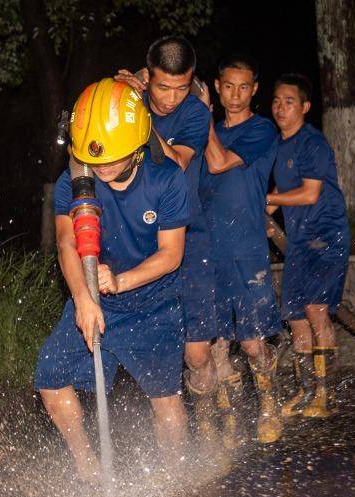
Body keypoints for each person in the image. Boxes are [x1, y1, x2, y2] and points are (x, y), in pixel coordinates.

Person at [34, 78, 191, 482]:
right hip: (92, 295)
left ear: (138, 145)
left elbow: (172, 256)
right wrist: (84, 299)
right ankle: (89, 468)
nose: (101, 168)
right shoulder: (75, 182)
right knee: (50, 378)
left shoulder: (167, 179)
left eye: (112, 160)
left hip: (152, 304)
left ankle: (177, 481)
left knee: (165, 402)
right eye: (93, 159)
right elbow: (67, 244)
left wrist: (120, 282)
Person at [113, 37, 219, 440]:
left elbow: (176, 161)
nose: (173, 97)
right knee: (157, 360)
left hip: (190, 241)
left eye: (182, 86)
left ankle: (208, 419)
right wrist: (120, 90)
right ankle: (174, 441)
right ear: (148, 74)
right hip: (139, 238)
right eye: (162, 87)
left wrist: (142, 113)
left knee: (197, 354)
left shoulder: (195, 113)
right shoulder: (130, 99)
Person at [196, 55, 284, 444]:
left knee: (251, 342)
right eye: (228, 86)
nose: (235, 94)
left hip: (246, 250)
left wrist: (203, 118)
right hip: (205, 251)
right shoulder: (204, 133)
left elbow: (217, 164)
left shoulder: (262, 130)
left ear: (255, 89)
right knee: (213, 344)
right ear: (217, 86)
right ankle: (226, 417)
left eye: (244, 87)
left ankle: (269, 404)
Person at [266, 73, 351, 418]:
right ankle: (305, 393)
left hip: (326, 235)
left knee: (316, 311)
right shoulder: (277, 145)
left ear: (304, 106)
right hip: (300, 240)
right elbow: (276, 198)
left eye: (289, 101)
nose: (280, 107)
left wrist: (268, 198)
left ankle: (325, 396)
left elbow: (309, 192)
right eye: (276, 101)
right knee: (296, 318)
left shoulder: (312, 143)